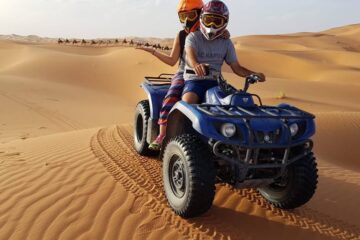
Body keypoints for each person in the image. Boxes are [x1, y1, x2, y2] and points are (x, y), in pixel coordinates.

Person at [183, 0, 266, 105]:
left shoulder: (226, 43)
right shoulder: (193, 37)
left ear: (225, 22)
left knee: (239, 102)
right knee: (188, 102)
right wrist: (196, 65)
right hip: (194, 81)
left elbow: (237, 68)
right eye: (208, 20)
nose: (212, 25)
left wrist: (253, 74)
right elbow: (191, 57)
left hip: (216, 83)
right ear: (202, 19)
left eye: (217, 21)